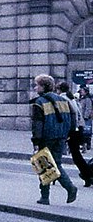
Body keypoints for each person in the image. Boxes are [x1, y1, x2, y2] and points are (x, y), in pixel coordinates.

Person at [31, 74, 78, 204]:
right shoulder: (63, 100)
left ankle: (45, 197)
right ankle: (70, 188)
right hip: (61, 137)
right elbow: (73, 117)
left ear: (43, 86)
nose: (35, 88)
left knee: (44, 166)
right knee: (56, 164)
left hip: (46, 138)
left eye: (37, 85)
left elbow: (37, 125)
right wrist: (69, 133)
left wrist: (36, 142)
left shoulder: (39, 102)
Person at [58, 81, 92, 187]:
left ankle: (87, 174)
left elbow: (65, 116)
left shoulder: (62, 98)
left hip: (70, 130)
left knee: (65, 154)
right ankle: (87, 174)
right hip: (77, 129)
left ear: (59, 89)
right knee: (76, 154)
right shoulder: (71, 98)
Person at [78, 86, 93, 151]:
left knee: (86, 131)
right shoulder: (82, 98)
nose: (81, 92)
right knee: (83, 132)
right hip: (81, 117)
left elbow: (88, 108)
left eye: (82, 91)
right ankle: (84, 145)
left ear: (86, 92)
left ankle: (87, 144)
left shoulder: (87, 99)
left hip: (85, 118)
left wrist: (85, 117)